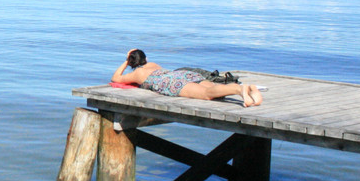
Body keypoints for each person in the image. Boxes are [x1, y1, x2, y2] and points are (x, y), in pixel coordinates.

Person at [111, 48, 263, 107]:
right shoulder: (153, 64)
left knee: (207, 95)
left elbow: (116, 78)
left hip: (173, 83)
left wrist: (125, 61)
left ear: (132, 62)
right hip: (181, 74)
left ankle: (240, 89)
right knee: (212, 87)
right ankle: (249, 90)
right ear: (146, 58)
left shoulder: (137, 73)